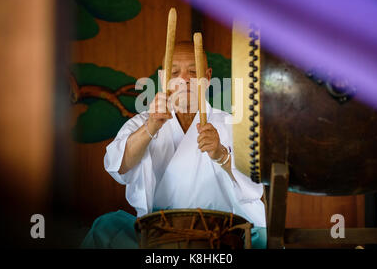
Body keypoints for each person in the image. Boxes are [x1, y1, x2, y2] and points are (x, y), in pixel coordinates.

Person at [81, 41, 267, 248]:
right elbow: (118, 166)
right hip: (158, 234)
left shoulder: (232, 125)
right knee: (105, 230)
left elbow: (255, 187)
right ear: (163, 78)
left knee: (264, 239)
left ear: (207, 77)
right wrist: (150, 128)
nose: (184, 80)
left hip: (220, 235)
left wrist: (222, 155)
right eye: (175, 72)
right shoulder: (142, 122)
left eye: (193, 72)